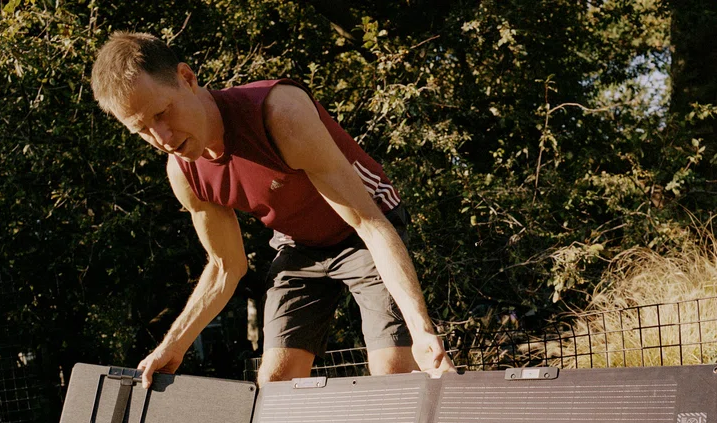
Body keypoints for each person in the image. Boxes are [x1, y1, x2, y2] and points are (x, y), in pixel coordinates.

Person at [90, 32, 455, 389]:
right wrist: (174, 344)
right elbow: (225, 267)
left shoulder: (280, 112)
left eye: (163, 112)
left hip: (364, 229)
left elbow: (370, 224)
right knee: (274, 382)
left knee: (392, 371)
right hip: (299, 245)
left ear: (187, 78)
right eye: (143, 129)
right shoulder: (184, 173)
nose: (163, 138)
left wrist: (421, 329)